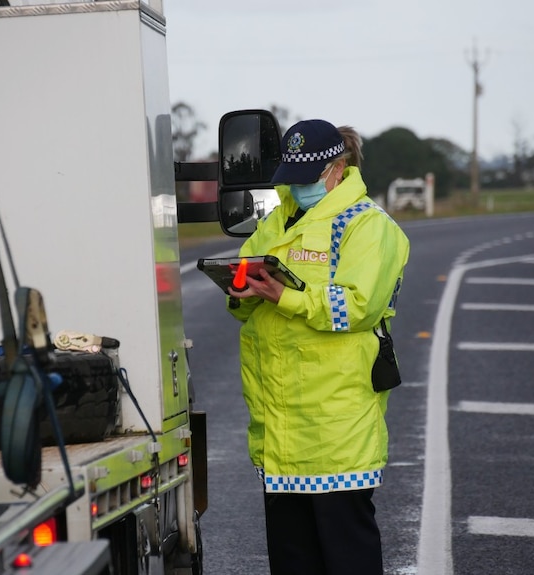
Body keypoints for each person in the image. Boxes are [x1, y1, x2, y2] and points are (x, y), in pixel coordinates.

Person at [226, 119, 410, 575]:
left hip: (336, 429)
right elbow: (249, 290)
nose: (295, 187)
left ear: (337, 168)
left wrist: (283, 296)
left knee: (346, 558)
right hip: (279, 429)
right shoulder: (277, 220)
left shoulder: (369, 226)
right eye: (288, 177)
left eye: (304, 179)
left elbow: (358, 305)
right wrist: (240, 291)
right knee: (293, 561)